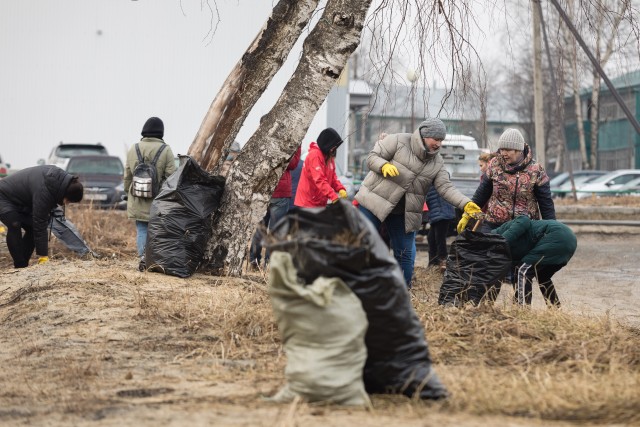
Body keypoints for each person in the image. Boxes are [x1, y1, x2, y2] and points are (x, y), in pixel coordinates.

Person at [354, 118, 482, 288]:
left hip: (404, 211)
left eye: (441, 140)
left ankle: (402, 292)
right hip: (374, 201)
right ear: (423, 135)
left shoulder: (437, 163)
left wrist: (466, 203)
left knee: (406, 253)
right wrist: (383, 165)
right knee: (362, 240)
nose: (438, 144)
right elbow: (372, 158)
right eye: (435, 139)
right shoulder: (398, 140)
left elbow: (446, 187)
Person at [458, 128, 555, 234]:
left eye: (508, 150)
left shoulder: (536, 170)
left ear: (519, 150)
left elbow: (546, 204)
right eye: (502, 149)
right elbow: (481, 194)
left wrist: (551, 230)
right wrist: (467, 214)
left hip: (525, 229)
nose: (503, 153)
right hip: (494, 226)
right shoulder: (494, 165)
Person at [0, 165, 84, 268]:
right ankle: (20, 265)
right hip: (3, 196)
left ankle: (23, 265)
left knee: (31, 227)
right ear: (65, 194)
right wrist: (43, 256)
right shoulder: (45, 190)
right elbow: (40, 222)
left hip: (21, 201)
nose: (67, 204)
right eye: (69, 201)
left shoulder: (59, 182)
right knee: (14, 224)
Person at [124, 117, 176, 268]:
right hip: (158, 199)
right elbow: (171, 177)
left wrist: (128, 192)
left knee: (141, 229)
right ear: (161, 132)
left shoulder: (133, 148)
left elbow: (127, 174)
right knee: (158, 231)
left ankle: (142, 258)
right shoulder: (166, 150)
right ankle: (155, 260)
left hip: (137, 197)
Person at [492, 216, 577, 307]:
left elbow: (523, 220)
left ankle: (522, 309)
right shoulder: (505, 251)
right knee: (543, 277)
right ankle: (555, 308)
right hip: (569, 240)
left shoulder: (501, 232)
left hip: (555, 236)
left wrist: (501, 242)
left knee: (522, 271)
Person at [249, 146, 301, 270]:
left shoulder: (268, 132)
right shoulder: (296, 137)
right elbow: (293, 164)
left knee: (260, 228)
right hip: (281, 191)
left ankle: (253, 261)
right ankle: (269, 264)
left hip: (263, 188)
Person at [293, 128, 348, 207]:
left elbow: (333, 178)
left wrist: (340, 188)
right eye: (334, 146)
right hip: (307, 203)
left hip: (319, 202)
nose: (334, 149)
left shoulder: (329, 157)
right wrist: (333, 196)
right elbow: (319, 179)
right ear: (327, 144)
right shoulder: (314, 155)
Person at [426, 185, 456, 273]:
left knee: (439, 238)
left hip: (442, 213)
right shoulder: (428, 179)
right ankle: (433, 264)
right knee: (431, 238)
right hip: (436, 214)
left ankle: (443, 262)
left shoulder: (436, 177)